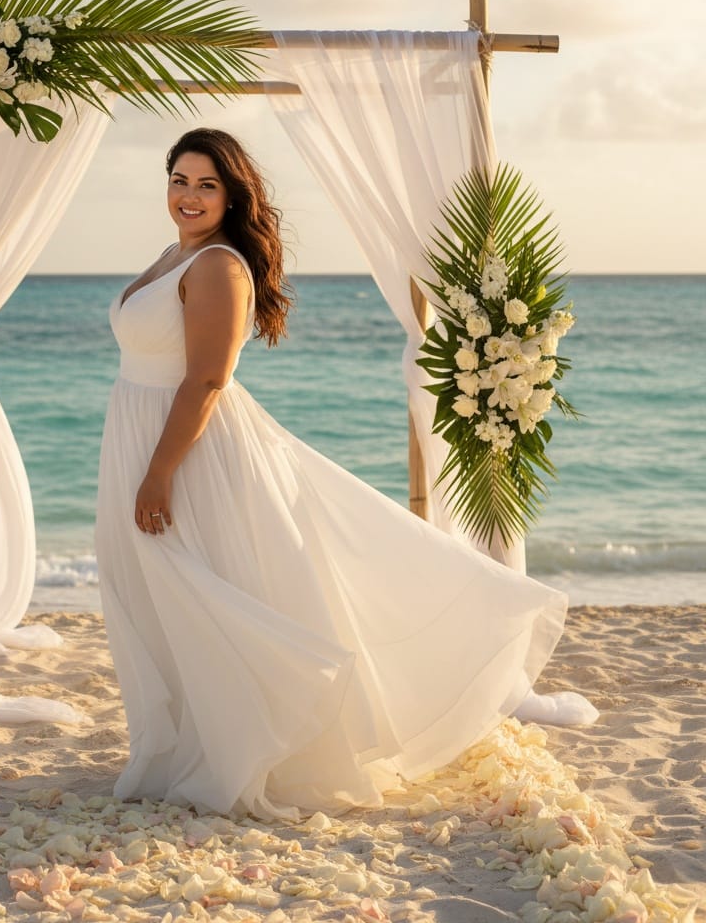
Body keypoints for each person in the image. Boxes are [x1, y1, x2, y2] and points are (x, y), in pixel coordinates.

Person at [94, 127, 568, 822]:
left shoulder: (220, 266)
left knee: (214, 594)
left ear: (232, 197)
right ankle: (192, 745)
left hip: (191, 449)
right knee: (170, 595)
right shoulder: (175, 253)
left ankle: (247, 753)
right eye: (179, 180)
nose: (188, 196)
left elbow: (205, 380)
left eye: (206, 185)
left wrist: (160, 472)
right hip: (141, 431)